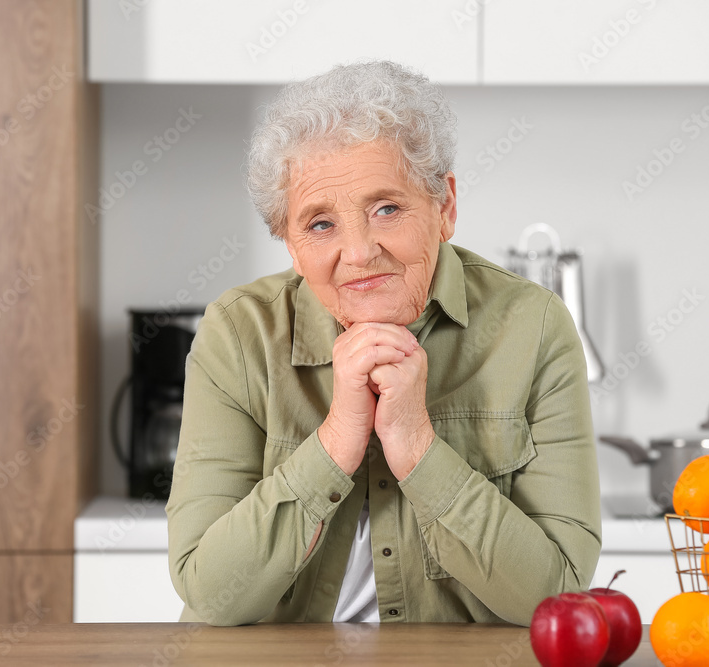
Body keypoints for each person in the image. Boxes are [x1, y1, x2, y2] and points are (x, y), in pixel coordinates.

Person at [166, 60, 601, 627]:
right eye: (320, 224)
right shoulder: (239, 333)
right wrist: (335, 444)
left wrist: (417, 447)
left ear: (444, 207)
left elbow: (556, 599)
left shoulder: (534, 326)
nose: (359, 252)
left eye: (387, 209)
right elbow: (211, 595)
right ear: (291, 246)